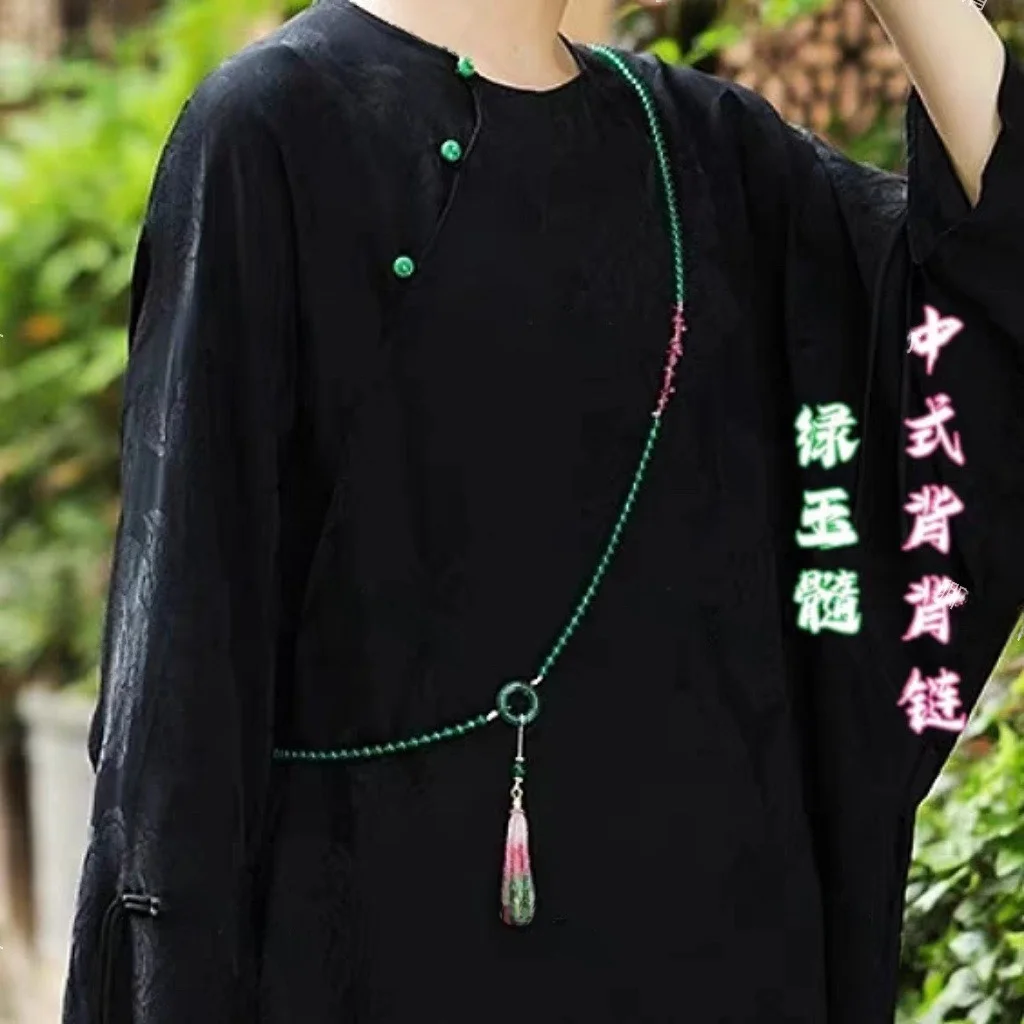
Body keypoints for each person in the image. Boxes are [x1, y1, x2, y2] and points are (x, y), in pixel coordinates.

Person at [62, 0, 1024, 1021]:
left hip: (722, 963)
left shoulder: (708, 155)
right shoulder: (276, 128)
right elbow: (182, 689)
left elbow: (986, 305)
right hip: (390, 965)